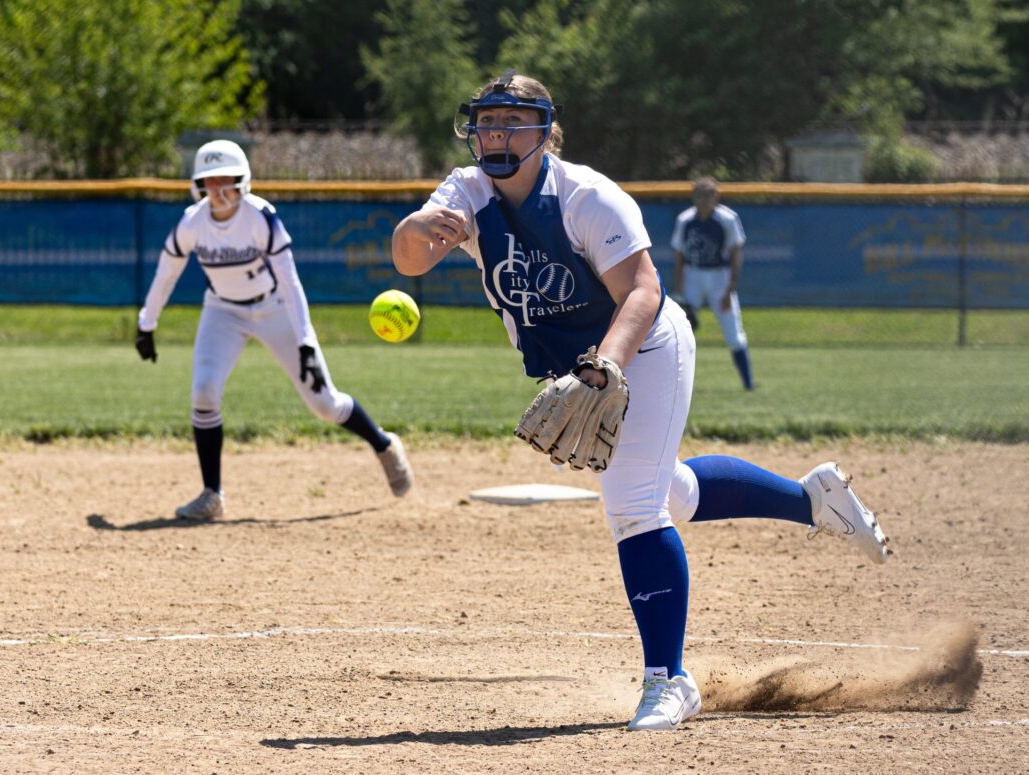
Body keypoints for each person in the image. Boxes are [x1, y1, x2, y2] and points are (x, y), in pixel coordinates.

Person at [391, 71, 890, 731]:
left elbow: (643, 291)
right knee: (668, 491)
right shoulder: (466, 190)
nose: (496, 134)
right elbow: (409, 261)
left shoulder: (587, 197)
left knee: (633, 503)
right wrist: (418, 224)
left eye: (512, 121)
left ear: (545, 132)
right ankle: (812, 499)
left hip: (645, 346)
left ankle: (669, 679)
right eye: (486, 121)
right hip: (581, 365)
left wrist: (606, 366)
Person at [134, 139, 413, 520]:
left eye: (226, 179)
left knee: (324, 404)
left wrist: (305, 342)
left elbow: (290, 283)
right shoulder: (192, 222)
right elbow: (167, 272)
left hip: (274, 308)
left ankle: (383, 444)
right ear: (198, 184)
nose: (218, 188)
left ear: (242, 180)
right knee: (203, 392)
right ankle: (212, 495)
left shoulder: (260, 217)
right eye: (210, 180)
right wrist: (147, 323)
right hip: (223, 311)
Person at [670, 177, 754, 390]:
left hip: (719, 277)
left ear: (716, 196)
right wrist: (678, 292)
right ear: (693, 197)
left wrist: (729, 289)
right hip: (693, 275)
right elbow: (679, 257)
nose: (704, 199)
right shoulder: (685, 220)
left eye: (709, 194)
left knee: (734, 335)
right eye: (700, 194)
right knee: (679, 331)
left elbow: (735, 255)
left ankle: (748, 383)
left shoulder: (727, 219)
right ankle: (673, 382)